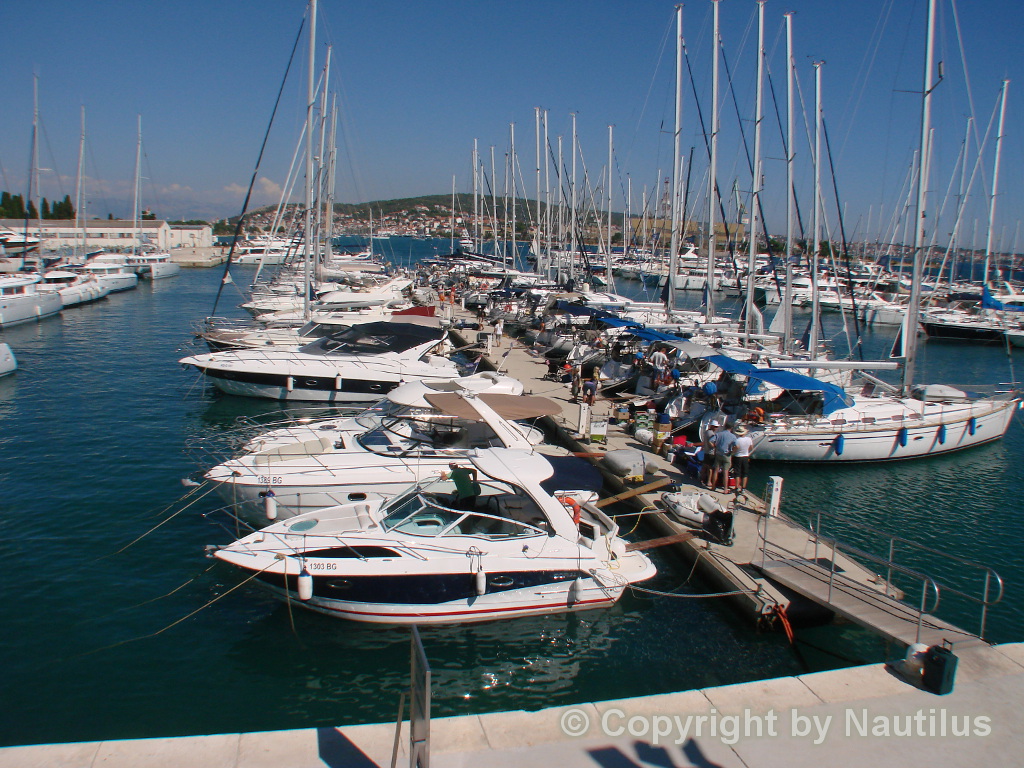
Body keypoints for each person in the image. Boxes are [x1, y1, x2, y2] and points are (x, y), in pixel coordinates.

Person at [709, 421, 738, 493]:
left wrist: (715, 447)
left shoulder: (719, 434)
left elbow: (710, 441)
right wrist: (732, 452)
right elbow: (736, 446)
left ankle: (713, 486)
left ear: (725, 427)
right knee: (726, 472)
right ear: (731, 428)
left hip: (718, 454)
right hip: (727, 455)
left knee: (716, 471)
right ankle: (725, 489)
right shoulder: (733, 436)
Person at [731, 424, 754, 497]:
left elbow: (735, 448)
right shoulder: (749, 439)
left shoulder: (737, 440)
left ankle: (737, 487)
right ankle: (743, 488)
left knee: (737, 472)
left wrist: (732, 452)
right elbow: (751, 447)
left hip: (738, 456)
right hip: (745, 456)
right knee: (745, 473)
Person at [699, 420, 720, 486]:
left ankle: (701, 479)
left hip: (706, 451)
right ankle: (709, 481)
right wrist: (715, 446)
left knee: (704, 466)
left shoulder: (706, 432)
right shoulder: (712, 434)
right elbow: (711, 444)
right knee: (710, 468)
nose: (717, 428)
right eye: (716, 427)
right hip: (711, 453)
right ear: (712, 426)